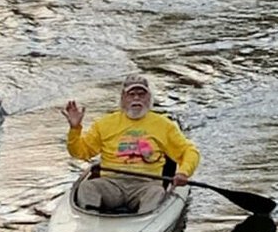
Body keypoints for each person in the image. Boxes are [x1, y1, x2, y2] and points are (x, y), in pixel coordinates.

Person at [62, 74, 200, 213]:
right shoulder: (104, 124)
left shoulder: (164, 125)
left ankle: (145, 220)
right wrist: (75, 129)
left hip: (147, 185)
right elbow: (80, 152)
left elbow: (189, 151)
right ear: (123, 98)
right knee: (87, 188)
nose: (136, 98)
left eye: (141, 94)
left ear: (149, 98)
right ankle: (91, 218)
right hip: (111, 183)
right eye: (131, 94)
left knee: (156, 193)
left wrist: (183, 172)